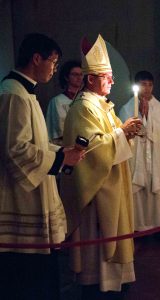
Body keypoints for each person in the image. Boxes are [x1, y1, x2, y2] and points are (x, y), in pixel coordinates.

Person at [0, 33, 85, 300]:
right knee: (27, 280)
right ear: (36, 58)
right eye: (53, 61)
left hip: (32, 192)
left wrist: (61, 152)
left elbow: (34, 142)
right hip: (20, 201)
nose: (54, 68)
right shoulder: (14, 95)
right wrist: (60, 160)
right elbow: (16, 150)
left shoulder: (24, 92)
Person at [60, 34, 142, 293]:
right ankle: (97, 285)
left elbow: (112, 138)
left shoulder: (102, 105)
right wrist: (122, 133)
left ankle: (115, 281)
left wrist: (126, 133)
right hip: (97, 193)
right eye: (107, 77)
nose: (112, 81)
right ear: (91, 79)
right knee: (98, 243)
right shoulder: (83, 107)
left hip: (111, 184)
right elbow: (91, 149)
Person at [119, 71, 160, 239]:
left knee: (156, 191)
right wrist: (141, 116)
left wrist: (149, 116)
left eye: (150, 84)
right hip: (138, 160)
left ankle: (158, 226)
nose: (147, 88)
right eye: (143, 84)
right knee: (139, 194)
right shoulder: (127, 109)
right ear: (136, 86)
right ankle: (139, 227)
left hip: (156, 160)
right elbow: (126, 136)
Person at [46, 60, 83, 145]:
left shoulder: (85, 99)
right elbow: (60, 130)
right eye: (75, 74)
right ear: (66, 77)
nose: (79, 77)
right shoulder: (57, 101)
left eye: (81, 74)